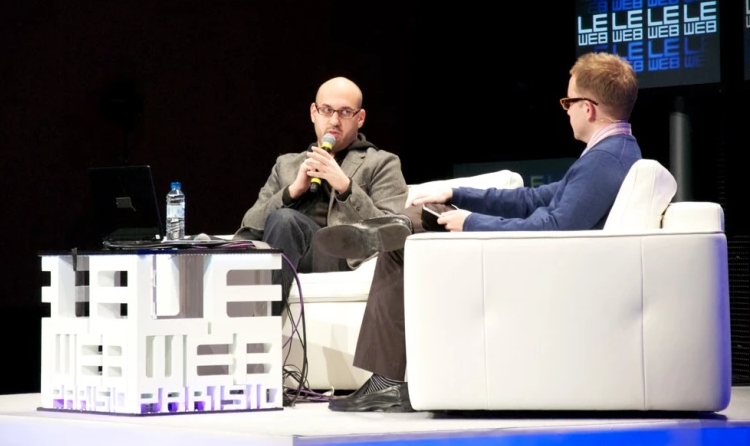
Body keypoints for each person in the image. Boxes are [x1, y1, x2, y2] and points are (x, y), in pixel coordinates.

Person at [314, 52, 642, 412]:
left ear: (589, 108)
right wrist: (458, 194)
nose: (566, 110)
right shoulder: (613, 153)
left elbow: (552, 228)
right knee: (413, 229)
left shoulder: (604, 161)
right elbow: (533, 199)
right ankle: (399, 226)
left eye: (568, 101)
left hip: (539, 266)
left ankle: (387, 378)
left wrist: (469, 223)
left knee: (400, 244)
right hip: (543, 258)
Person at [233, 76, 408, 316]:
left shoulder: (382, 163)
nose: (334, 120)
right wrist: (291, 192)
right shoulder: (286, 165)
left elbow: (391, 232)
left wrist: (346, 187)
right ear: (314, 112)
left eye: (345, 112)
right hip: (289, 254)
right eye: (327, 110)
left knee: (286, 220)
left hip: (341, 256)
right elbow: (249, 226)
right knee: (284, 219)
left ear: (360, 118)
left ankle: (261, 322)